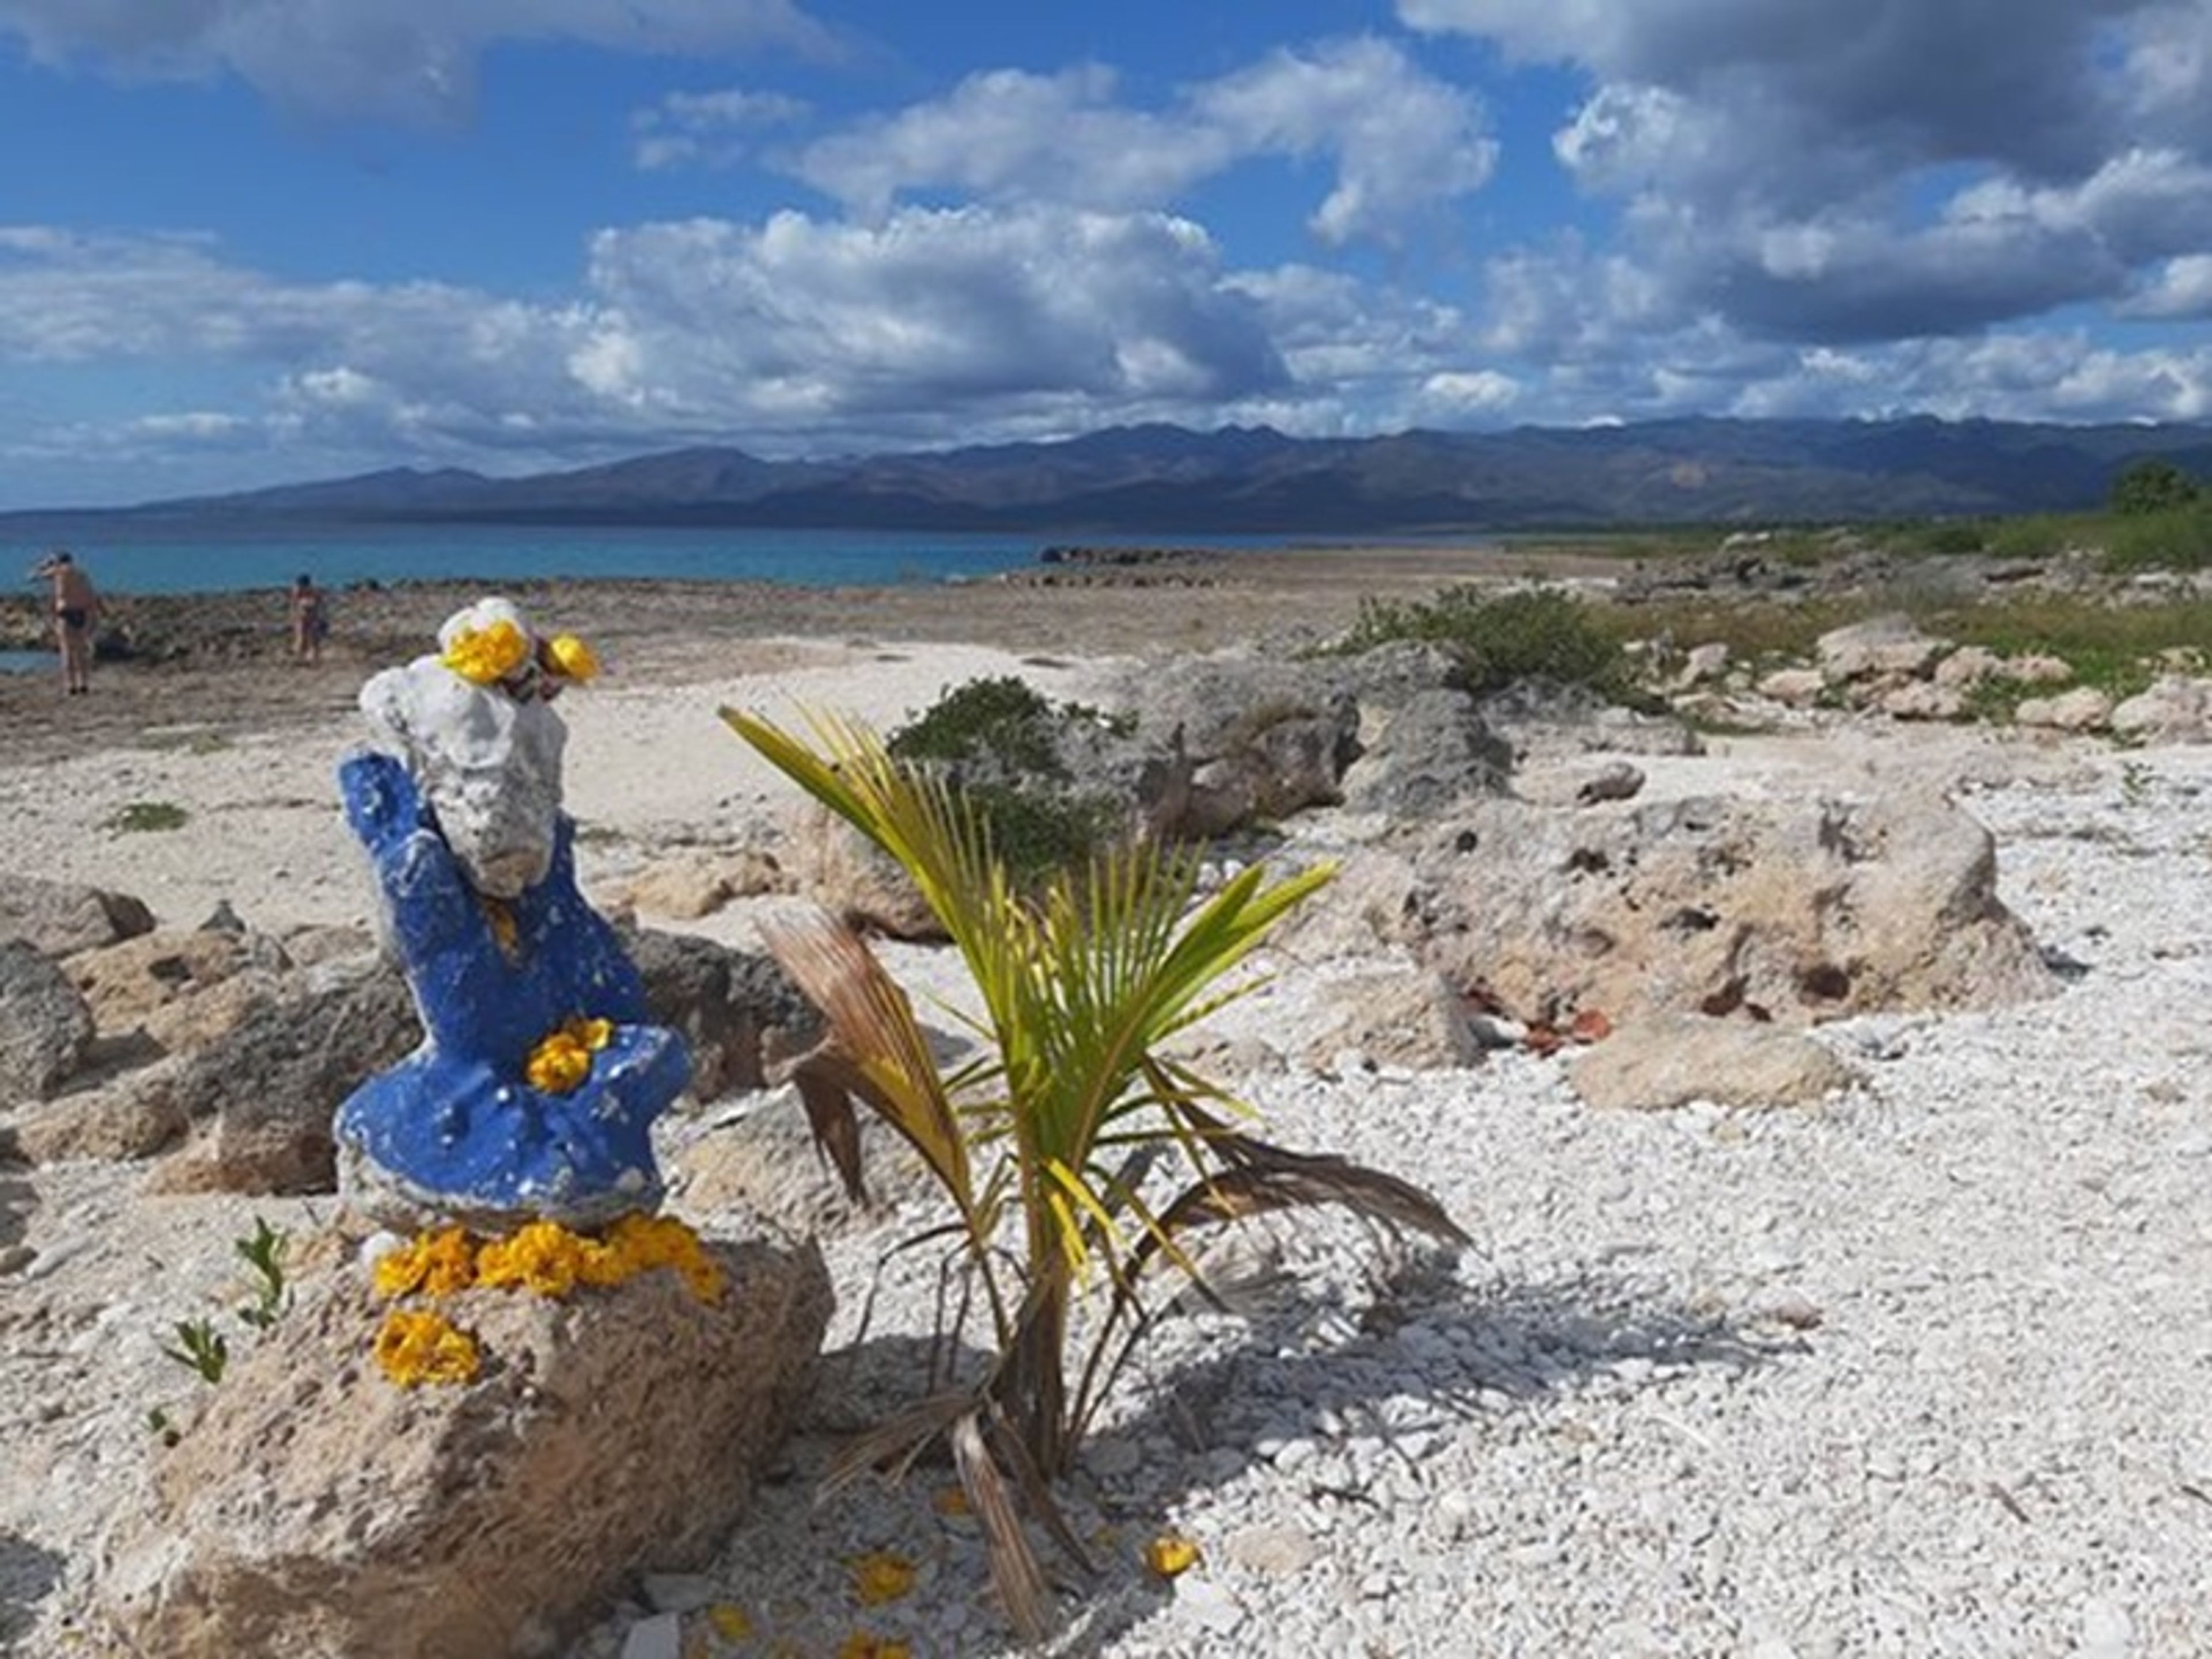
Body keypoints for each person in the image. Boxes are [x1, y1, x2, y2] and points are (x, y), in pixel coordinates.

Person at [32, 550, 98, 695]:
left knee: (67, 651)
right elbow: (91, 596)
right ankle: (84, 684)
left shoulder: (59, 572)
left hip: (66, 613)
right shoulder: (82, 575)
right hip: (82, 613)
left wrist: (44, 564)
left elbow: (33, 576)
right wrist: (92, 617)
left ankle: (71, 685)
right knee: (81, 651)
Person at [289, 573, 329, 664]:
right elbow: (294, 605)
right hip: (302, 617)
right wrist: (294, 616)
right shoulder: (297, 591)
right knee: (302, 638)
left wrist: (321, 618)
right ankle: (301, 658)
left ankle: (313, 658)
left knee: (313, 639)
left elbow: (320, 605)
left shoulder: (314, 592)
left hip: (312, 617)